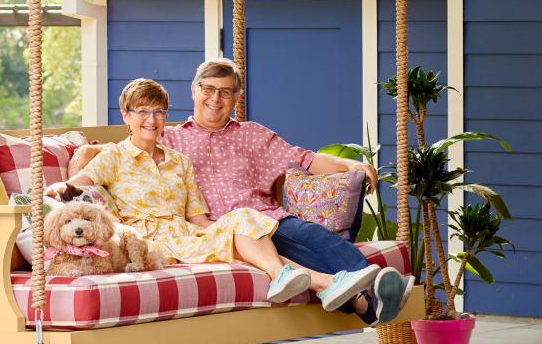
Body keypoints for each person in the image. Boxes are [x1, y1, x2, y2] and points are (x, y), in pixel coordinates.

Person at [67, 78, 383, 308]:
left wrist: (225, 230)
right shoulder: (113, 157)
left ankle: (302, 280)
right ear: (126, 115)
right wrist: (58, 185)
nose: (151, 120)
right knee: (256, 236)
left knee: (242, 219)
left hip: (188, 233)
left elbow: (199, 219)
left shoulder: (179, 161)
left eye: (159, 112)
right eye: (142, 112)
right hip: (153, 241)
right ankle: (331, 285)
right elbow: (76, 181)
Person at [161, 58, 414, 326]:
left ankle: (371, 298)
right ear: (193, 90)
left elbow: (305, 159)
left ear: (236, 97)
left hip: (268, 219)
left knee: (317, 238)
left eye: (225, 91)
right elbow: (129, 161)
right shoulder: (169, 140)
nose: (215, 98)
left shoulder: (252, 134)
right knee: (300, 257)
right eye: (208, 89)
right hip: (222, 232)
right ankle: (371, 302)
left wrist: (351, 164)